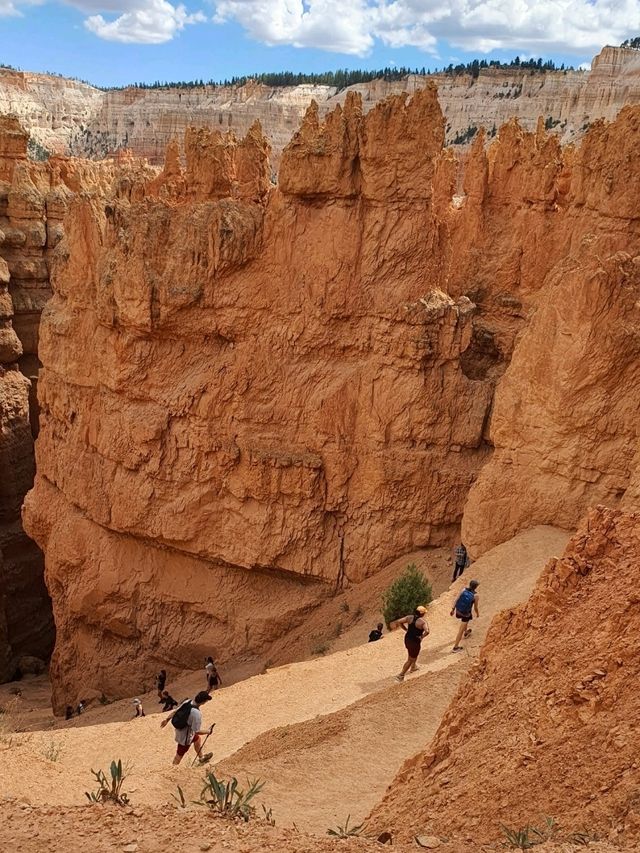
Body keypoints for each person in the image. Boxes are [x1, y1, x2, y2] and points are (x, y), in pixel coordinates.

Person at [160, 690, 214, 765]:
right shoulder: (196, 713)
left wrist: (166, 720)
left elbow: (175, 711)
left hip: (182, 731)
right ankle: (172, 770)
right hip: (186, 738)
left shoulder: (188, 701)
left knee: (197, 739)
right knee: (179, 756)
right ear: (203, 702)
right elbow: (197, 731)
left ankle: (201, 758)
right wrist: (208, 731)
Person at [390, 605, 430, 682]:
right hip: (415, 642)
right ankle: (400, 675)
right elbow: (427, 631)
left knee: (412, 654)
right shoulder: (423, 622)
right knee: (411, 659)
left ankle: (413, 667)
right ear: (422, 614)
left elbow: (399, 622)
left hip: (407, 639)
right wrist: (422, 637)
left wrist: (406, 629)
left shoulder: (409, 617)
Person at [451, 579, 480, 651]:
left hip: (458, 610)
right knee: (460, 631)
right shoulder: (475, 595)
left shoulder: (463, 590)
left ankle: (466, 632)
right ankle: (455, 647)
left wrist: (452, 609)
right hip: (465, 614)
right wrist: (477, 613)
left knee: (466, 622)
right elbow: (475, 607)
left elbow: (456, 599)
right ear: (476, 587)